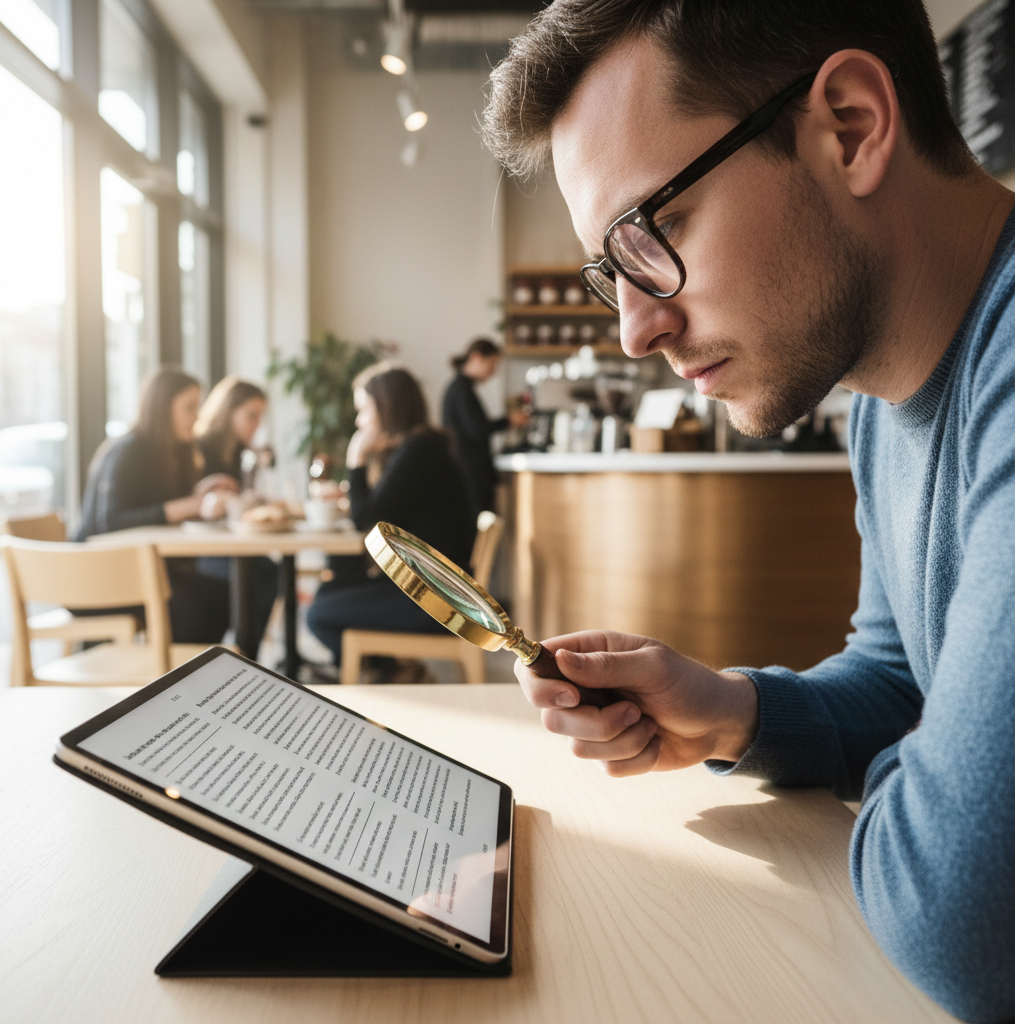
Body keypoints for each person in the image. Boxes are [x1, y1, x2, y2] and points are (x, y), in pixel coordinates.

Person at [481, 1, 1015, 1020]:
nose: (636, 329)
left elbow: (971, 915)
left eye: (658, 228)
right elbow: (900, 678)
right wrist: (737, 710)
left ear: (849, 126)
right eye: (610, 270)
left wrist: (948, 795)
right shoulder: (879, 406)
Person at [306, 362, 477, 671]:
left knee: (317, 614)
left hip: (436, 599)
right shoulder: (421, 447)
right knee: (333, 585)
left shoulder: (419, 451)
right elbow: (380, 510)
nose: (360, 421)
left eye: (364, 410)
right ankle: (381, 669)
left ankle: (385, 671)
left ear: (387, 407)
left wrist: (356, 460)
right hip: (436, 586)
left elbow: (366, 521)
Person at [76, 366, 233, 643]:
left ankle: (198, 678)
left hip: (138, 574)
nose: (196, 417)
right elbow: (108, 523)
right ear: (162, 408)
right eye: (189, 407)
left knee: (224, 595)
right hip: (96, 578)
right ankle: (176, 679)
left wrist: (198, 494)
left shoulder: (173, 454)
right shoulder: (127, 450)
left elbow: (160, 507)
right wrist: (189, 505)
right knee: (196, 604)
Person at [194, 376, 279, 659]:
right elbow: (198, 504)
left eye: (259, 418)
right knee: (261, 572)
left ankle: (246, 655)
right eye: (250, 416)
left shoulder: (242, 452)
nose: (255, 424)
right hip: (198, 549)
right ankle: (244, 656)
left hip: (227, 541)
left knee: (270, 569)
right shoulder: (200, 448)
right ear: (228, 411)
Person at [441, 338, 526, 514]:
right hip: (470, 473)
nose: (493, 372)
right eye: (492, 364)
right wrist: (509, 421)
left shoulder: (461, 388)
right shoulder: (462, 389)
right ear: (477, 357)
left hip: (467, 471)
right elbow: (477, 429)